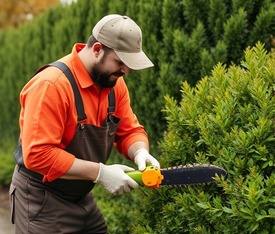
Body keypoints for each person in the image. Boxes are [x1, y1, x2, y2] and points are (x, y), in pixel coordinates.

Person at [9, 14, 160, 233]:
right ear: (97, 49)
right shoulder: (51, 86)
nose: (125, 71)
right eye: (120, 62)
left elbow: (129, 130)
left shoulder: (114, 84)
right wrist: (101, 173)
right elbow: (38, 154)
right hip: (41, 196)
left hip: (80, 195)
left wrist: (140, 152)